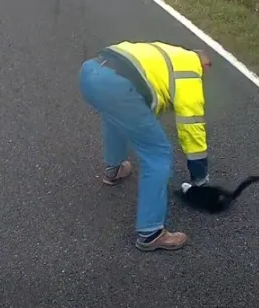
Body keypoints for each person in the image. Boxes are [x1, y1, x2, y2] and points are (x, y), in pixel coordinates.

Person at [78, 41, 212, 252]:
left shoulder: (171, 54)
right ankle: (151, 232)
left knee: (114, 116)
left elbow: (146, 91)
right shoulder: (190, 72)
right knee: (158, 153)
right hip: (118, 88)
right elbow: (192, 127)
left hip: (90, 72)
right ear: (204, 66)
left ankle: (114, 169)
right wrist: (200, 178)